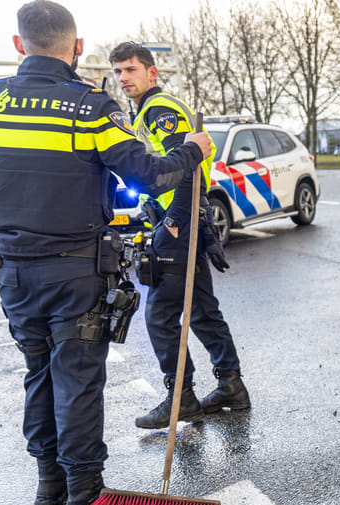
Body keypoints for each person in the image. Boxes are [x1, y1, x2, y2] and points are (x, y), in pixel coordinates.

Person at [0, 2, 213, 505]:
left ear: (19, 45)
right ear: (76, 47)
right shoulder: (88, 108)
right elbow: (149, 174)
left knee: (38, 371)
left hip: (13, 273)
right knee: (78, 377)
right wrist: (192, 151)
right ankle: (84, 497)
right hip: (76, 271)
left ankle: (48, 484)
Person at [109, 42, 250, 430]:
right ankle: (231, 386)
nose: (123, 78)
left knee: (159, 315)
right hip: (184, 219)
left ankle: (181, 397)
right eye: (118, 71)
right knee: (202, 308)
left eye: (131, 70)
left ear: (151, 73)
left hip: (179, 222)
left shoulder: (160, 110)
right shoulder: (148, 111)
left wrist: (174, 221)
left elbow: (188, 165)